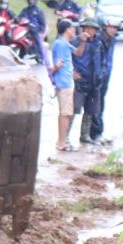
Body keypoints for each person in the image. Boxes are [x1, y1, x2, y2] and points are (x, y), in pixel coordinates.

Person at [72, 19, 107, 146]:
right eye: (86, 28)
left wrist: (102, 73)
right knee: (74, 109)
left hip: (95, 81)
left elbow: (103, 60)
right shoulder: (76, 42)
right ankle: (65, 136)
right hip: (81, 80)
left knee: (90, 110)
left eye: (91, 29)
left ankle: (85, 135)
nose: (88, 31)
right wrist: (72, 71)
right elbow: (67, 57)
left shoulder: (98, 43)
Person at [50, 19, 78, 153]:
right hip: (64, 83)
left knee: (66, 113)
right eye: (73, 28)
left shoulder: (64, 43)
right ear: (67, 30)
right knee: (65, 114)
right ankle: (61, 143)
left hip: (66, 82)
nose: (74, 31)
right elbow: (58, 64)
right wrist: (52, 71)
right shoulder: (61, 44)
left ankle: (61, 141)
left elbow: (77, 52)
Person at [18, 0, 48, 64]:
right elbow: (19, 17)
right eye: (29, 0)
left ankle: (40, 55)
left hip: (35, 29)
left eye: (33, 0)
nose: (31, 1)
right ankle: (20, 53)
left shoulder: (39, 11)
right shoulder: (25, 10)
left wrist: (40, 30)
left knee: (36, 39)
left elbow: (42, 23)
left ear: (36, 1)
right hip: (24, 29)